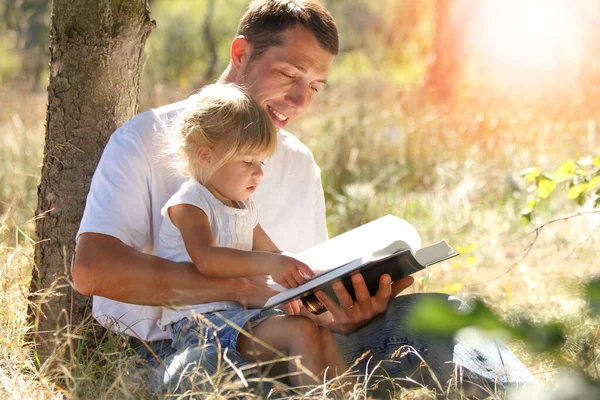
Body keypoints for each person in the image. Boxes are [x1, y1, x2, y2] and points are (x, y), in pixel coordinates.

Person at [73, 0, 535, 396]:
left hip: (298, 344)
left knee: (444, 316)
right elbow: (94, 270)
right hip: (182, 349)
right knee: (220, 379)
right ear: (240, 52)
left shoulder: (297, 162)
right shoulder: (149, 139)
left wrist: (348, 312)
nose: (298, 101)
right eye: (289, 74)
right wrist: (236, 288)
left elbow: (305, 293)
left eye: (314, 87)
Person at [155, 82, 348, 389]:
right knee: (300, 331)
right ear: (205, 156)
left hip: (241, 315)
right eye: (247, 162)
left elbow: (274, 255)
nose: (258, 173)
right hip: (200, 324)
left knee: (317, 329)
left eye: (261, 163)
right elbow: (207, 260)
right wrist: (271, 266)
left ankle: (344, 395)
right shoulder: (190, 203)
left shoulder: (244, 207)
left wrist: (308, 274)